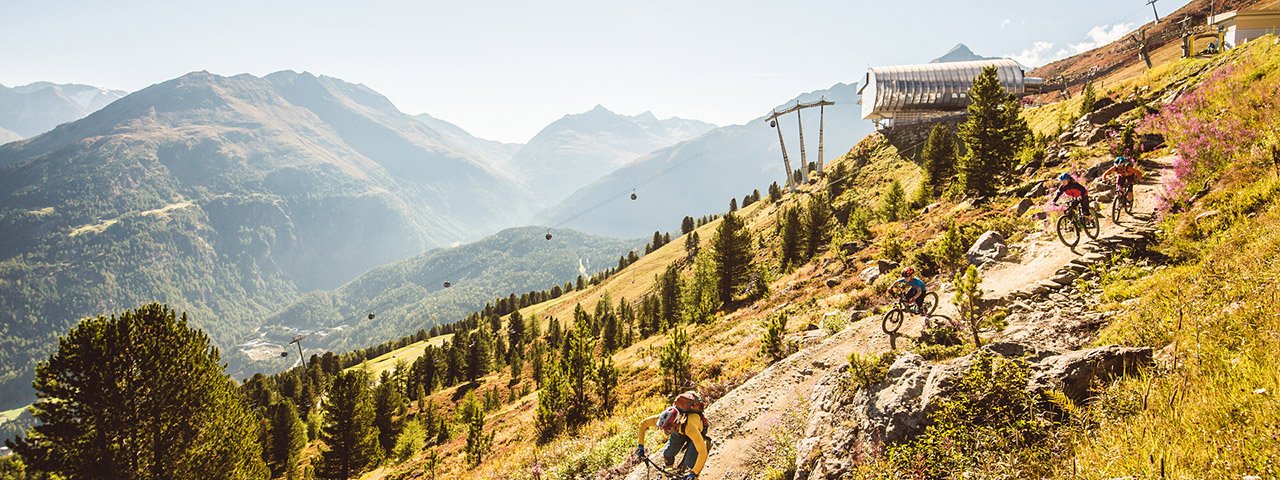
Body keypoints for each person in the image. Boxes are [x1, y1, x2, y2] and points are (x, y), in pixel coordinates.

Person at [636, 391, 709, 479]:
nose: (665, 430)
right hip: (679, 431)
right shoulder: (665, 420)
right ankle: (670, 473)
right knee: (668, 454)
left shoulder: (691, 428)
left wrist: (694, 473)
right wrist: (640, 446)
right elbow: (643, 424)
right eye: (663, 428)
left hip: (697, 431)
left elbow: (702, 452)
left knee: (689, 465)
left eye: (667, 428)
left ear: (675, 423)